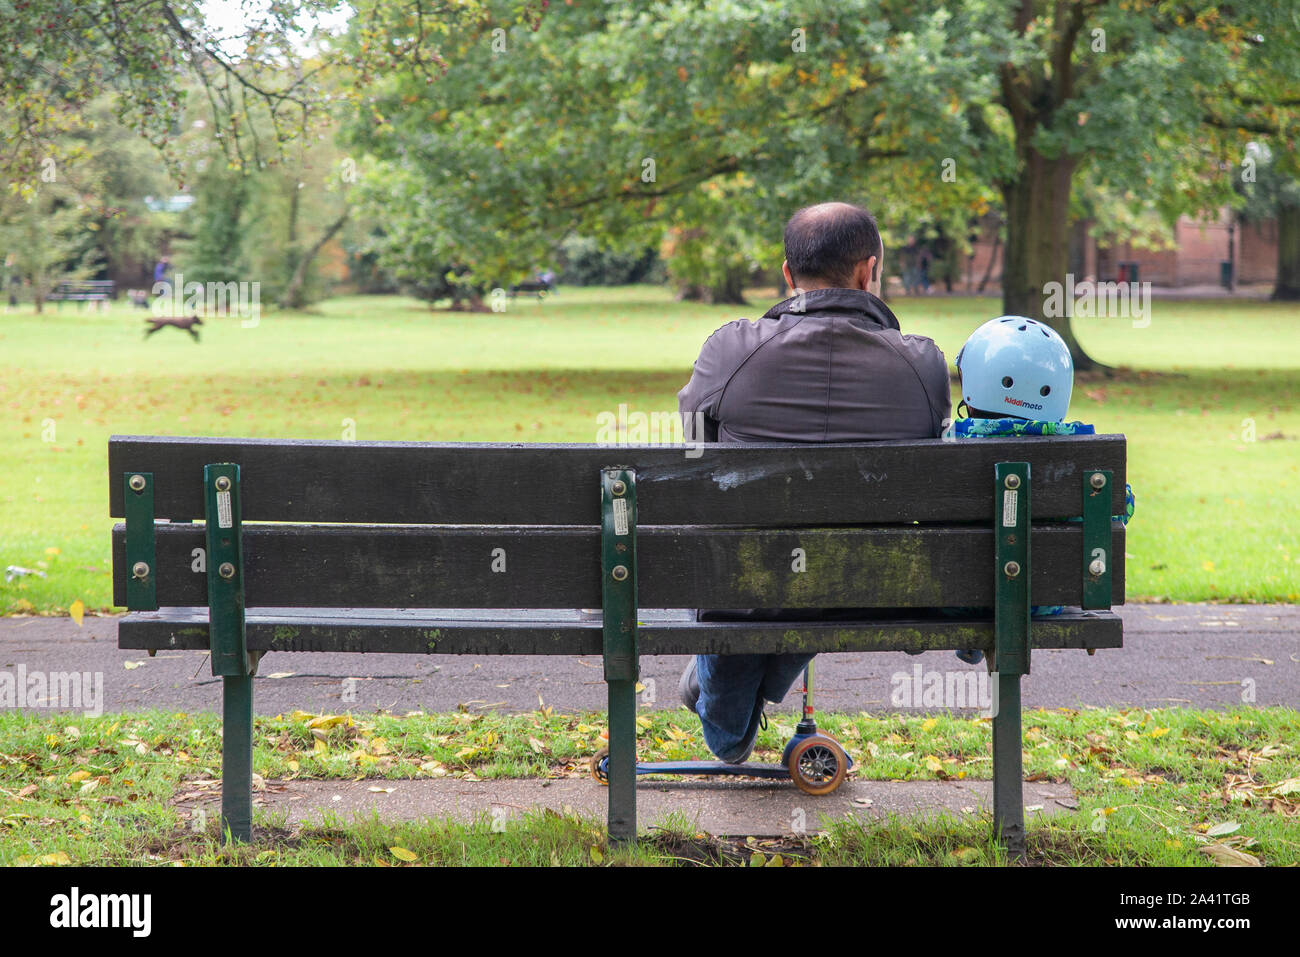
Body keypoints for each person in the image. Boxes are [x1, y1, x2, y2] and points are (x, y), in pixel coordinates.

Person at [676, 201, 951, 764]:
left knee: (727, 737)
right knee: (824, 578)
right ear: (867, 270)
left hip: (742, 584)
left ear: (786, 273)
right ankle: (752, 676)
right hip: (872, 585)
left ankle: (724, 697)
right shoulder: (922, 365)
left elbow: (693, 452)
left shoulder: (730, 350)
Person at [946, 315, 1136, 663]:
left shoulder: (948, 443)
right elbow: (1121, 505)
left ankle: (975, 629)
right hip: (1044, 597)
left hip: (953, 596)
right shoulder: (1081, 453)